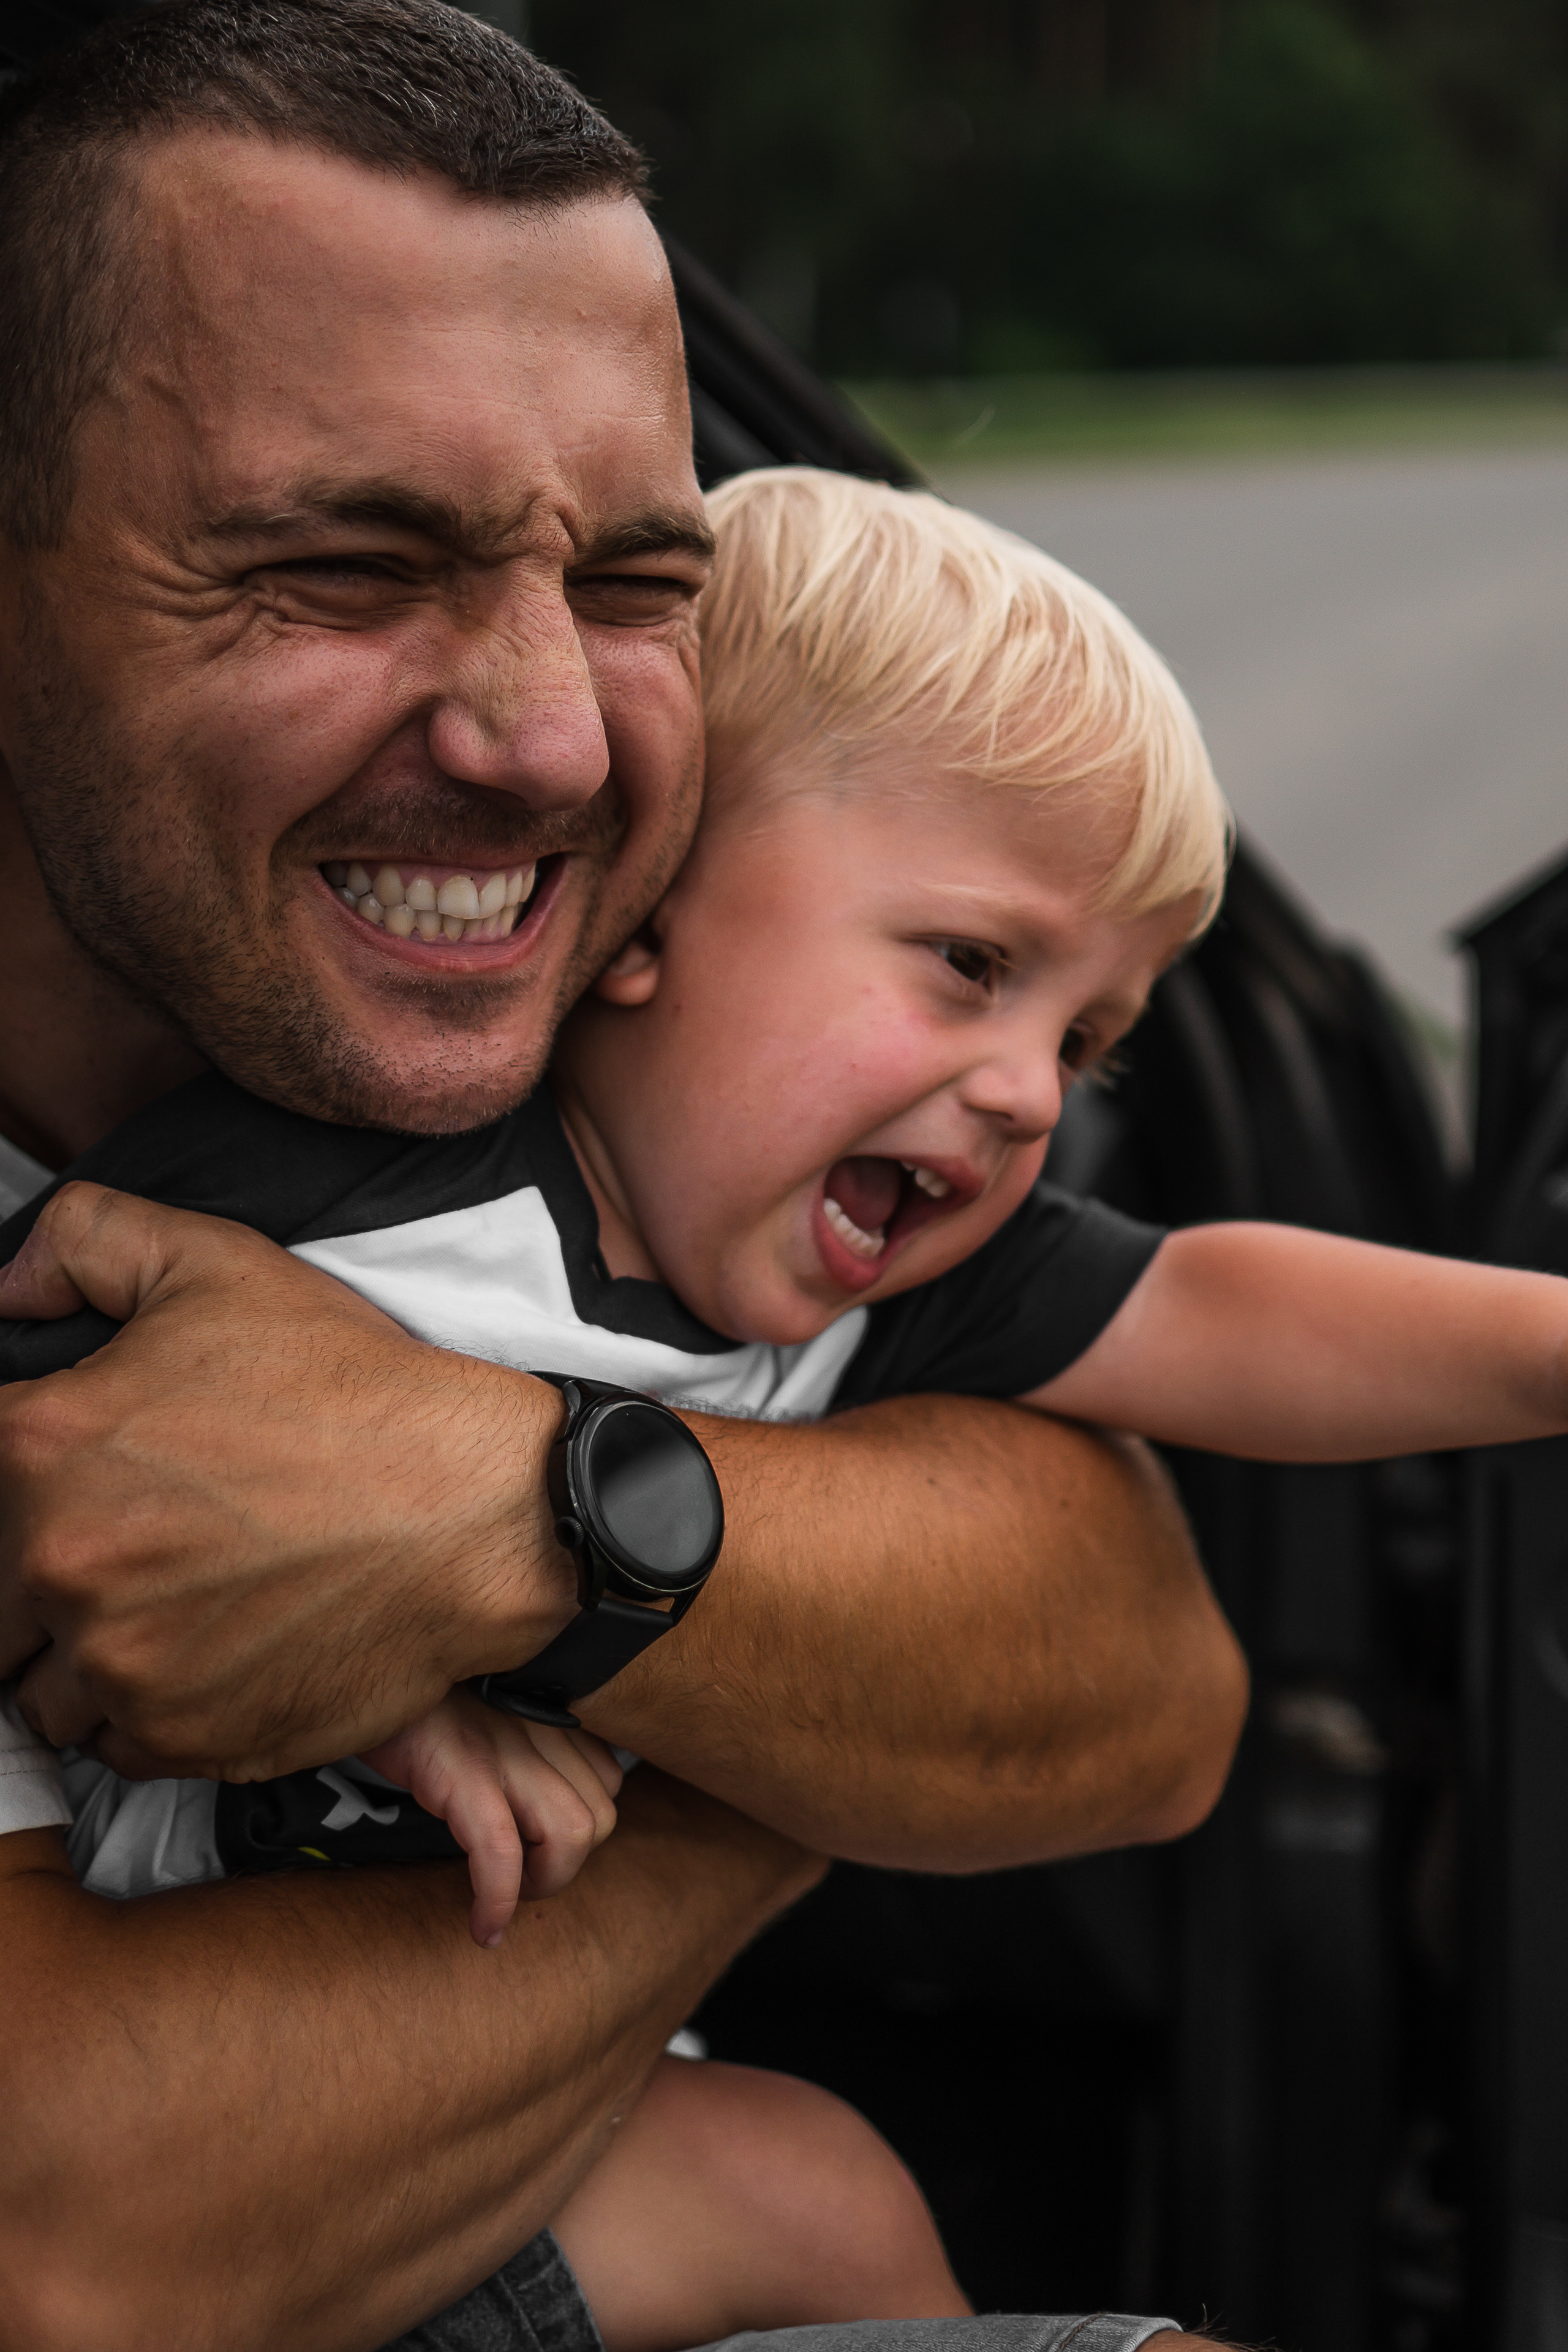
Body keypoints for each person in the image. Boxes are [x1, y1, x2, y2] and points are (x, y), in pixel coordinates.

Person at [0, 5, 1248, 2348]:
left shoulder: (590, 1031)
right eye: (348, 564)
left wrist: (506, 1516)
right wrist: (793, 1721)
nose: (553, 740)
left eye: (640, 586)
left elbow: (1137, 1676)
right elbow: (75, 2240)